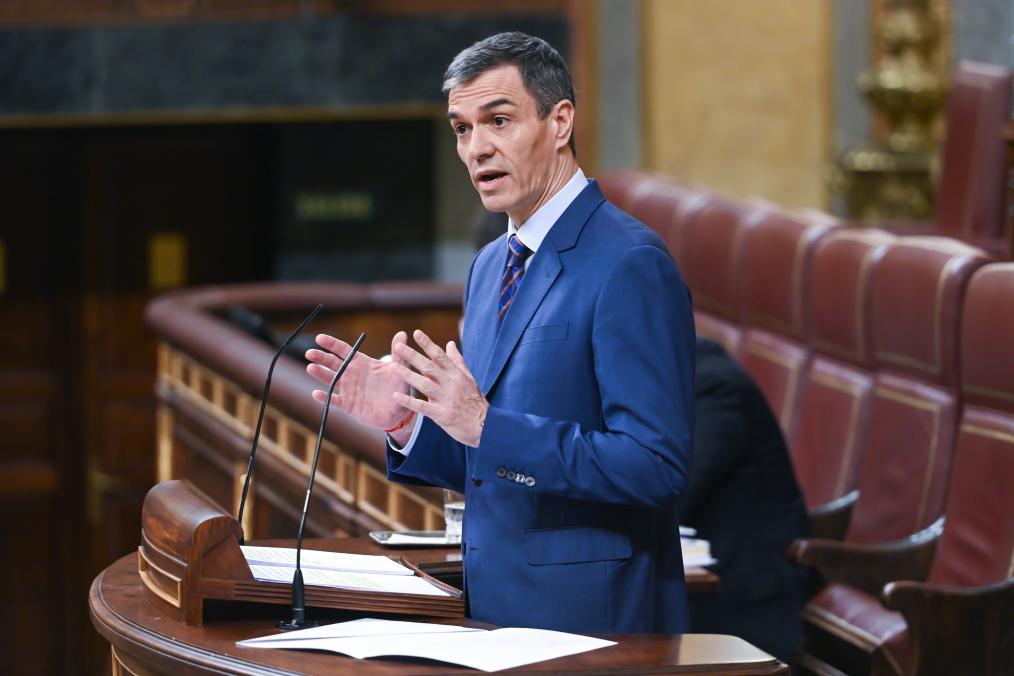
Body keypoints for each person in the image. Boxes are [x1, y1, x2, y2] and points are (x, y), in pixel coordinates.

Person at [305, 32, 696, 634]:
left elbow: (655, 466)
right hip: (494, 614)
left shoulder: (630, 262)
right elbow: (492, 462)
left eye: (499, 121)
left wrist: (486, 426)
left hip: (596, 625)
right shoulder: (490, 266)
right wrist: (408, 423)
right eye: (462, 129)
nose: (477, 148)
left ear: (560, 122)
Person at [683, 337, 818, 660]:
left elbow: (671, 495)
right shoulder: (684, 373)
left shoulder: (713, 385)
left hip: (747, 602)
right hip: (700, 592)